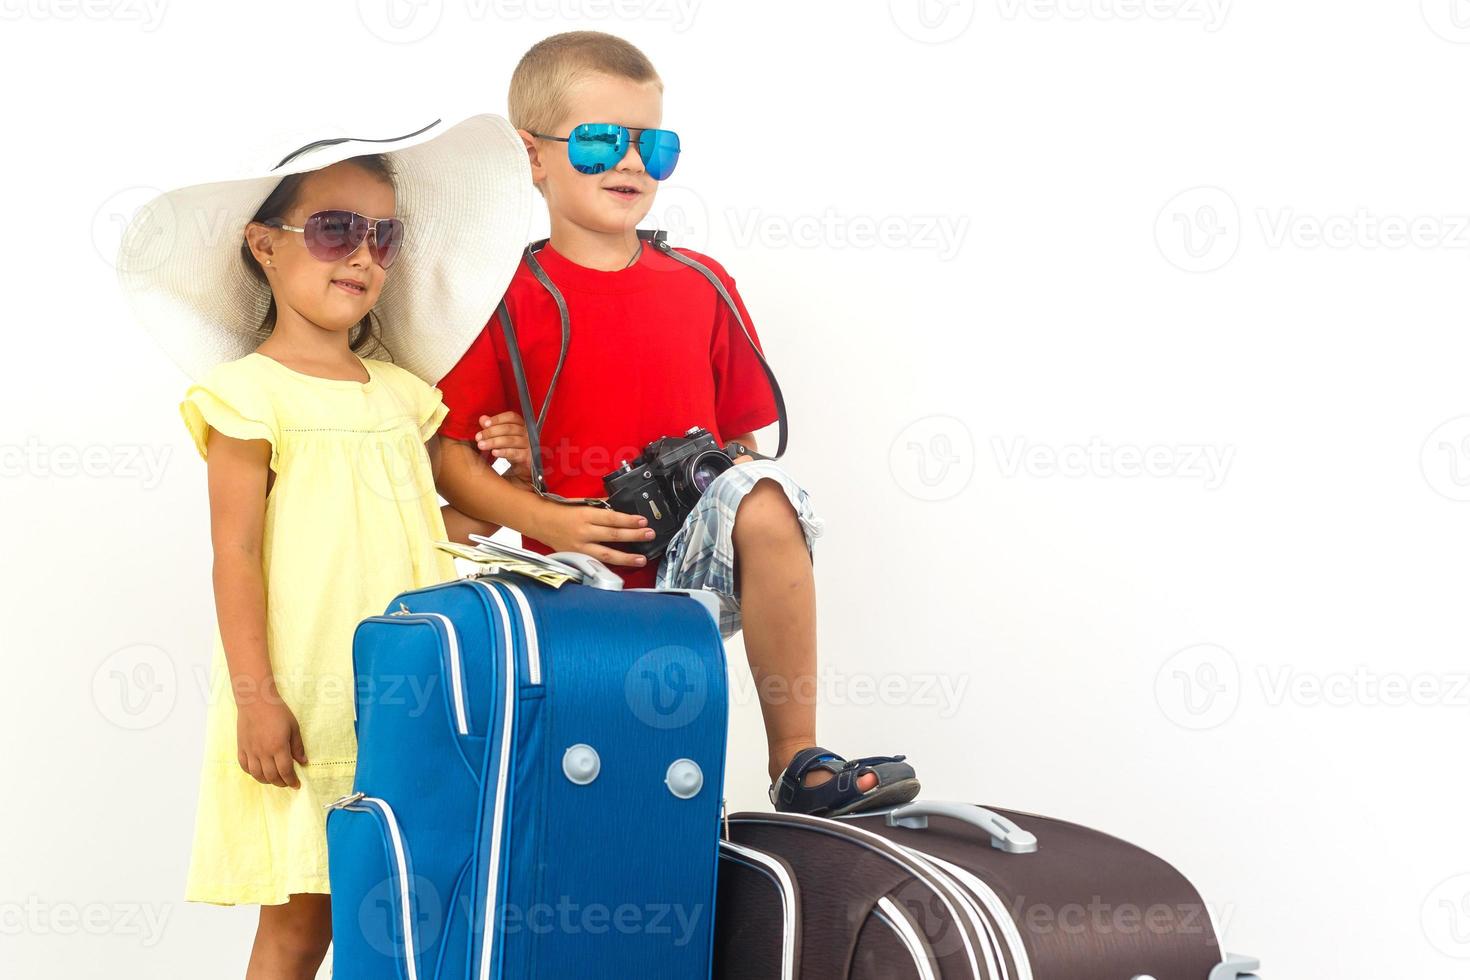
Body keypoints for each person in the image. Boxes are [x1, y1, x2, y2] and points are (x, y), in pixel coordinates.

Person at [435, 32, 921, 817]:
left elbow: (744, 455)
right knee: (591, 801)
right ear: (533, 157)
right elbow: (447, 463)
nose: (629, 164)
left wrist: (721, 477)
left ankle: (799, 760)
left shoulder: (702, 285)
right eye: (597, 142)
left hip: (683, 573)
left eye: (652, 147)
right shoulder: (504, 295)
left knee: (764, 497)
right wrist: (547, 510)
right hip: (558, 573)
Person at [117, 116, 533, 979]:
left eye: (383, 237)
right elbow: (235, 555)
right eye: (336, 229)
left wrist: (505, 478)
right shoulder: (246, 397)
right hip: (306, 698)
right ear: (264, 247)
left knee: (405, 913)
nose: (362, 256)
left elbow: (433, 530)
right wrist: (256, 698)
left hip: (412, 690)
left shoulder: (406, 396)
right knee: (305, 921)